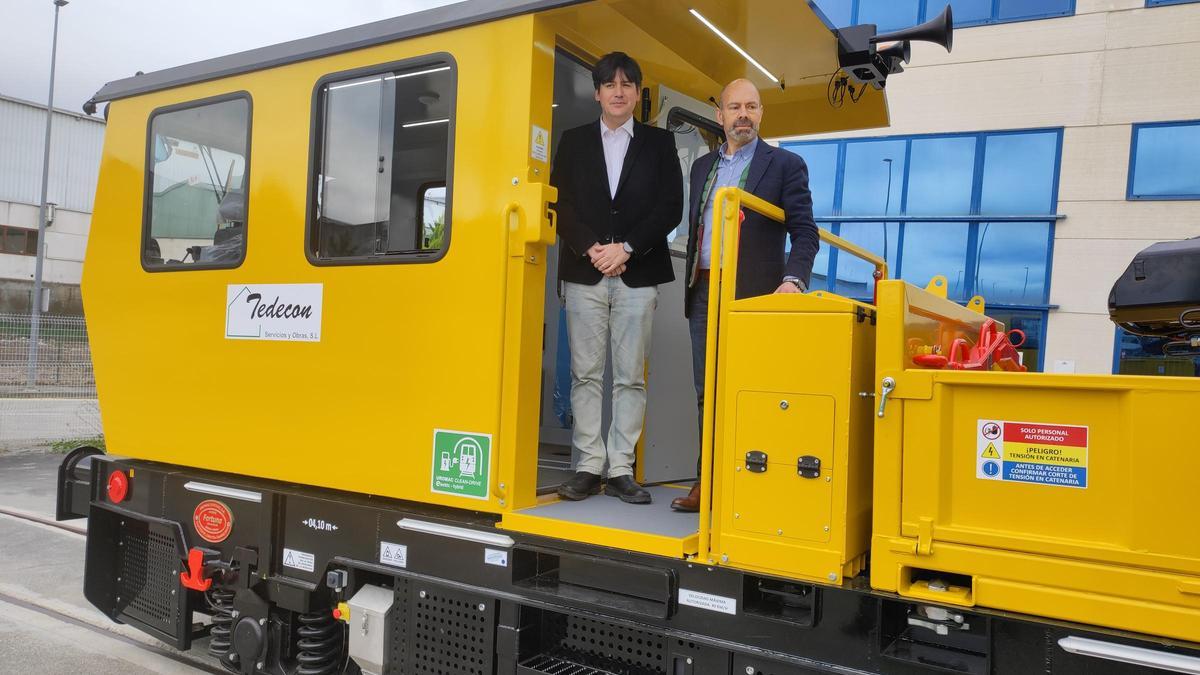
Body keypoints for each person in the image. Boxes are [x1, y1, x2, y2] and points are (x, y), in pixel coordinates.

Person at [671, 78, 820, 512]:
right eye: (734, 107)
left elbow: (805, 233)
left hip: (753, 296)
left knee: (750, 391)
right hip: (703, 289)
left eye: (751, 107)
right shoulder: (703, 168)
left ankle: (750, 481)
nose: (743, 115)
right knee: (706, 392)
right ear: (719, 116)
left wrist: (794, 280)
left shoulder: (786, 164)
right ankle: (708, 482)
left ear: (760, 114)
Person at [550, 52, 684, 505]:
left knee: (630, 377)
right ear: (598, 92)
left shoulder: (659, 144)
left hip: (638, 272)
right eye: (611, 85)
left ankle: (622, 467)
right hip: (584, 273)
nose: (619, 92)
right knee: (586, 375)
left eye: (628, 84)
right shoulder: (572, 142)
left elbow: (670, 208)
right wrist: (593, 248)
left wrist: (625, 248)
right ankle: (589, 465)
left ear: (638, 92)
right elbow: (560, 205)